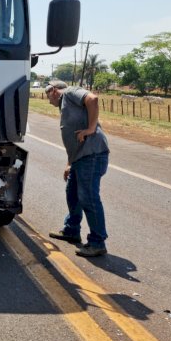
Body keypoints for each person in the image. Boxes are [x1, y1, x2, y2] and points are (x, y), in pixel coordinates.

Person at [45, 80, 110, 257]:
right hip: (79, 158)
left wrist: (90, 128)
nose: (48, 100)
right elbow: (72, 139)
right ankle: (71, 230)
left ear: (54, 90)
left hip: (92, 155)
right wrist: (69, 163)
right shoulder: (65, 104)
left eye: (47, 95)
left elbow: (93, 99)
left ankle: (97, 242)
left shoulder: (70, 92)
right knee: (72, 194)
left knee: (88, 197)